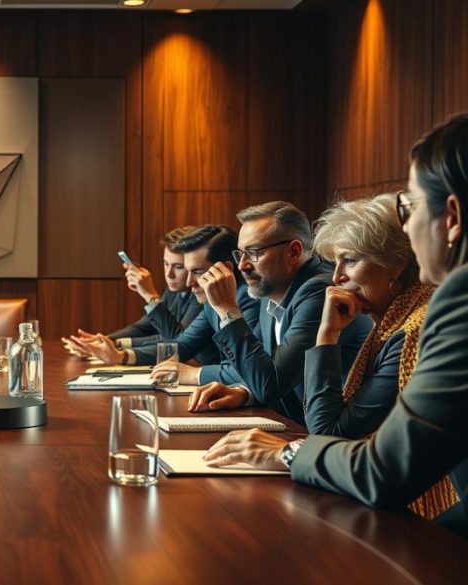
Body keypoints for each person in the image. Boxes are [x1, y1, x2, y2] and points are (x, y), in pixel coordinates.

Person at [205, 113, 468, 535]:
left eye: (411, 206)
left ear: (451, 217)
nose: (336, 278)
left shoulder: (433, 316)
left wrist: (289, 453)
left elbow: (377, 464)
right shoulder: (397, 320)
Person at [183, 202, 373, 426]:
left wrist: (228, 310)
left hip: (334, 436)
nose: (242, 266)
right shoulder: (271, 290)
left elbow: (269, 385)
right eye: (240, 254)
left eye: (253, 253)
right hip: (298, 426)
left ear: (293, 251)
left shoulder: (320, 291)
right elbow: (265, 370)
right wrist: (245, 393)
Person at [302, 193, 433, 439]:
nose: (336, 277)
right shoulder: (392, 322)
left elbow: (327, 431)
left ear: (396, 264)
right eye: (335, 263)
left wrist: (328, 333)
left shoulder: (415, 331)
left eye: (350, 260)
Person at [65, 225, 259, 369]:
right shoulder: (209, 300)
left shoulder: (246, 298)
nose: (190, 281)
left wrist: (150, 296)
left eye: (195, 271)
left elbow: (244, 369)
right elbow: (181, 344)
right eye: (166, 264)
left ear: (226, 269)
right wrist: (114, 349)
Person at [63, 226, 200, 357]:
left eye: (178, 267)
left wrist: (150, 295)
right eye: (165, 264)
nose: (169, 274)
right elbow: (144, 326)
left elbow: (177, 340)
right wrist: (104, 341)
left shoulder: (201, 295)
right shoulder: (174, 289)